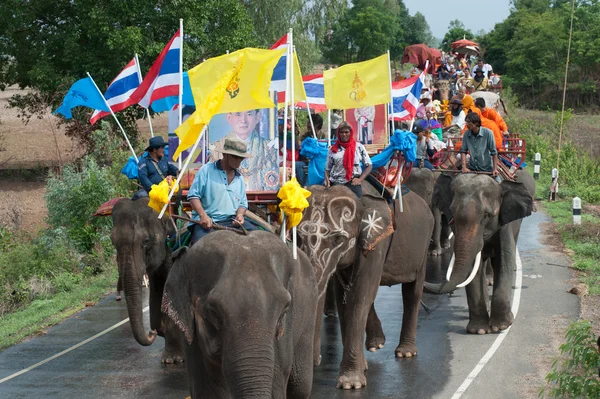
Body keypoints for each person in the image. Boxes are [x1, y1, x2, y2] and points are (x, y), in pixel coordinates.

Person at [187, 136, 259, 244]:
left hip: (231, 221)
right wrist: (203, 215)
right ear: (225, 154)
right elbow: (193, 196)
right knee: (201, 249)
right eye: (235, 157)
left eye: (241, 158)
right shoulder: (206, 171)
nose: (238, 161)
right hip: (208, 222)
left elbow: (243, 203)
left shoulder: (239, 178)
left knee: (258, 238)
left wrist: (239, 215)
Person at [210, 110, 279, 191]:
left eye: (249, 114)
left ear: (257, 117)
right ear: (229, 117)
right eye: (238, 114)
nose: (243, 120)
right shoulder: (216, 149)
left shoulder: (270, 149)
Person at [324, 121, 372, 198]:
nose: (344, 135)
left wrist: (360, 179)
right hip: (336, 183)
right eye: (341, 132)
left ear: (351, 133)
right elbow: (327, 169)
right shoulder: (332, 150)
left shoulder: (359, 147)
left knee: (359, 204)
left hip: (353, 182)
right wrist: (326, 180)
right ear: (338, 134)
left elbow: (369, 165)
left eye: (346, 132)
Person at [460, 113, 499, 178]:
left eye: (469, 122)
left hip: (487, 168)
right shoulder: (466, 134)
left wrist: (495, 169)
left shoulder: (488, 133)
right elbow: (463, 151)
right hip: (472, 168)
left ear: (476, 123)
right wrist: (464, 167)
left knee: (499, 183)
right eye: (466, 122)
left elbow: (494, 152)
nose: (467, 124)